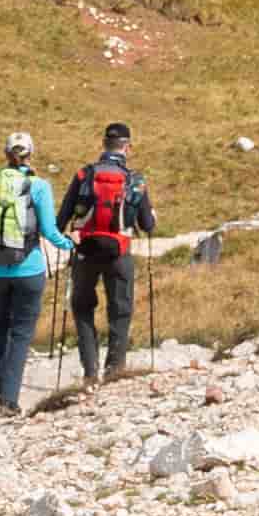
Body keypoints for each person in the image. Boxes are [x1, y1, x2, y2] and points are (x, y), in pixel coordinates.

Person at [0, 130, 61, 417]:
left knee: (0, 325)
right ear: (30, 154)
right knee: (21, 333)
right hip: (29, 269)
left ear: (6, 154)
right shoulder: (39, 186)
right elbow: (49, 231)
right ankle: (8, 399)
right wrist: (70, 243)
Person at [61, 121, 161, 383]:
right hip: (119, 253)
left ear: (103, 145)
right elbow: (147, 225)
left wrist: (68, 237)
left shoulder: (84, 175)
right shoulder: (135, 180)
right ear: (127, 148)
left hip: (85, 251)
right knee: (120, 309)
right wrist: (152, 216)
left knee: (82, 307)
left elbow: (62, 218)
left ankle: (90, 372)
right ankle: (114, 369)